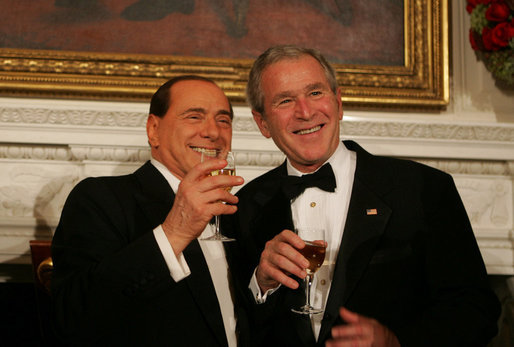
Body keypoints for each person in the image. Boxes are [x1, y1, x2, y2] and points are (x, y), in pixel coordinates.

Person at [226, 45, 501, 346]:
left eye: (316, 93)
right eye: (285, 100)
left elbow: (477, 310)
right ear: (262, 123)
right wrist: (261, 284)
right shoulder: (245, 207)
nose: (305, 112)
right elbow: (233, 325)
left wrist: (397, 342)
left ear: (339, 103)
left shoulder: (423, 188)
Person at [51, 75, 248, 346]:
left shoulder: (241, 211)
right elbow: (73, 318)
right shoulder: (100, 199)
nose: (213, 132)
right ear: (153, 130)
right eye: (194, 117)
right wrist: (173, 234)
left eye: (223, 120)